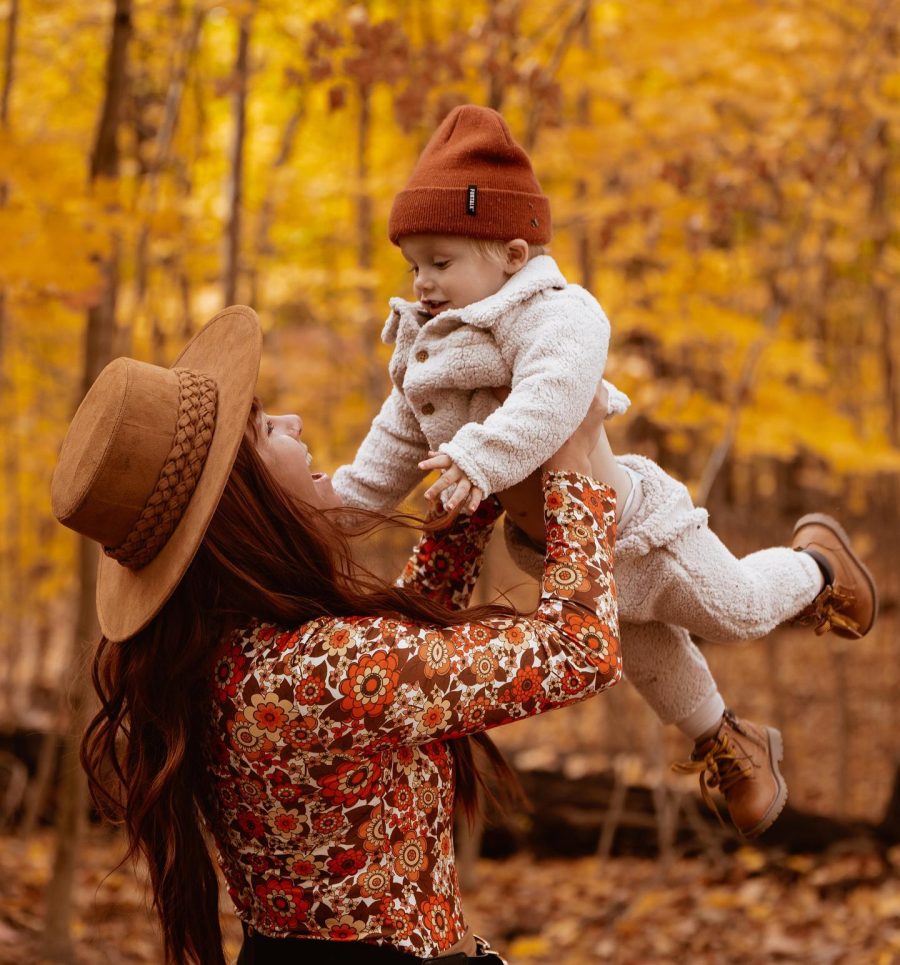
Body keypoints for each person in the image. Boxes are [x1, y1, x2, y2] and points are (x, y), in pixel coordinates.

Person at [331, 104, 878, 839]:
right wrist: (319, 510)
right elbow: (382, 462)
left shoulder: (556, 312)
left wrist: (476, 455)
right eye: (414, 264)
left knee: (737, 611)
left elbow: (553, 395)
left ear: (513, 254)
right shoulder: (430, 356)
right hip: (568, 555)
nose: (423, 283)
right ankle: (729, 742)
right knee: (651, 662)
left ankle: (818, 565)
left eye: (441, 261)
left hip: (636, 524)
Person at [51, 305, 623, 965]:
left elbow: (397, 667)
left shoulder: (223, 658)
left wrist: (481, 474)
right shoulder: (323, 669)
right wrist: (574, 455)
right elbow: (579, 650)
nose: (295, 423)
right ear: (242, 501)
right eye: (267, 429)